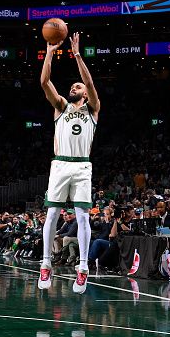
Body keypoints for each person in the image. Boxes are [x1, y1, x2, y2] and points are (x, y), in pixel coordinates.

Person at [37, 32, 101, 295]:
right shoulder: (60, 107)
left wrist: (76, 55)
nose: (74, 87)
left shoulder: (93, 108)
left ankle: (83, 267)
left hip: (82, 166)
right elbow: (44, 81)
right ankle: (46, 263)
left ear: (85, 93)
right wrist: (50, 53)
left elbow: (89, 81)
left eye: (78, 86)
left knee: (83, 215)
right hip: (60, 164)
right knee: (52, 213)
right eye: (73, 86)